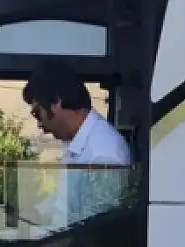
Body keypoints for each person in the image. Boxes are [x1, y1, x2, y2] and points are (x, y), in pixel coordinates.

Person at [22, 59, 132, 227]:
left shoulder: (103, 154)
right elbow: (63, 202)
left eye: (38, 114)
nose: (39, 125)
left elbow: (94, 230)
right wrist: (31, 214)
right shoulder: (77, 142)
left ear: (56, 103)